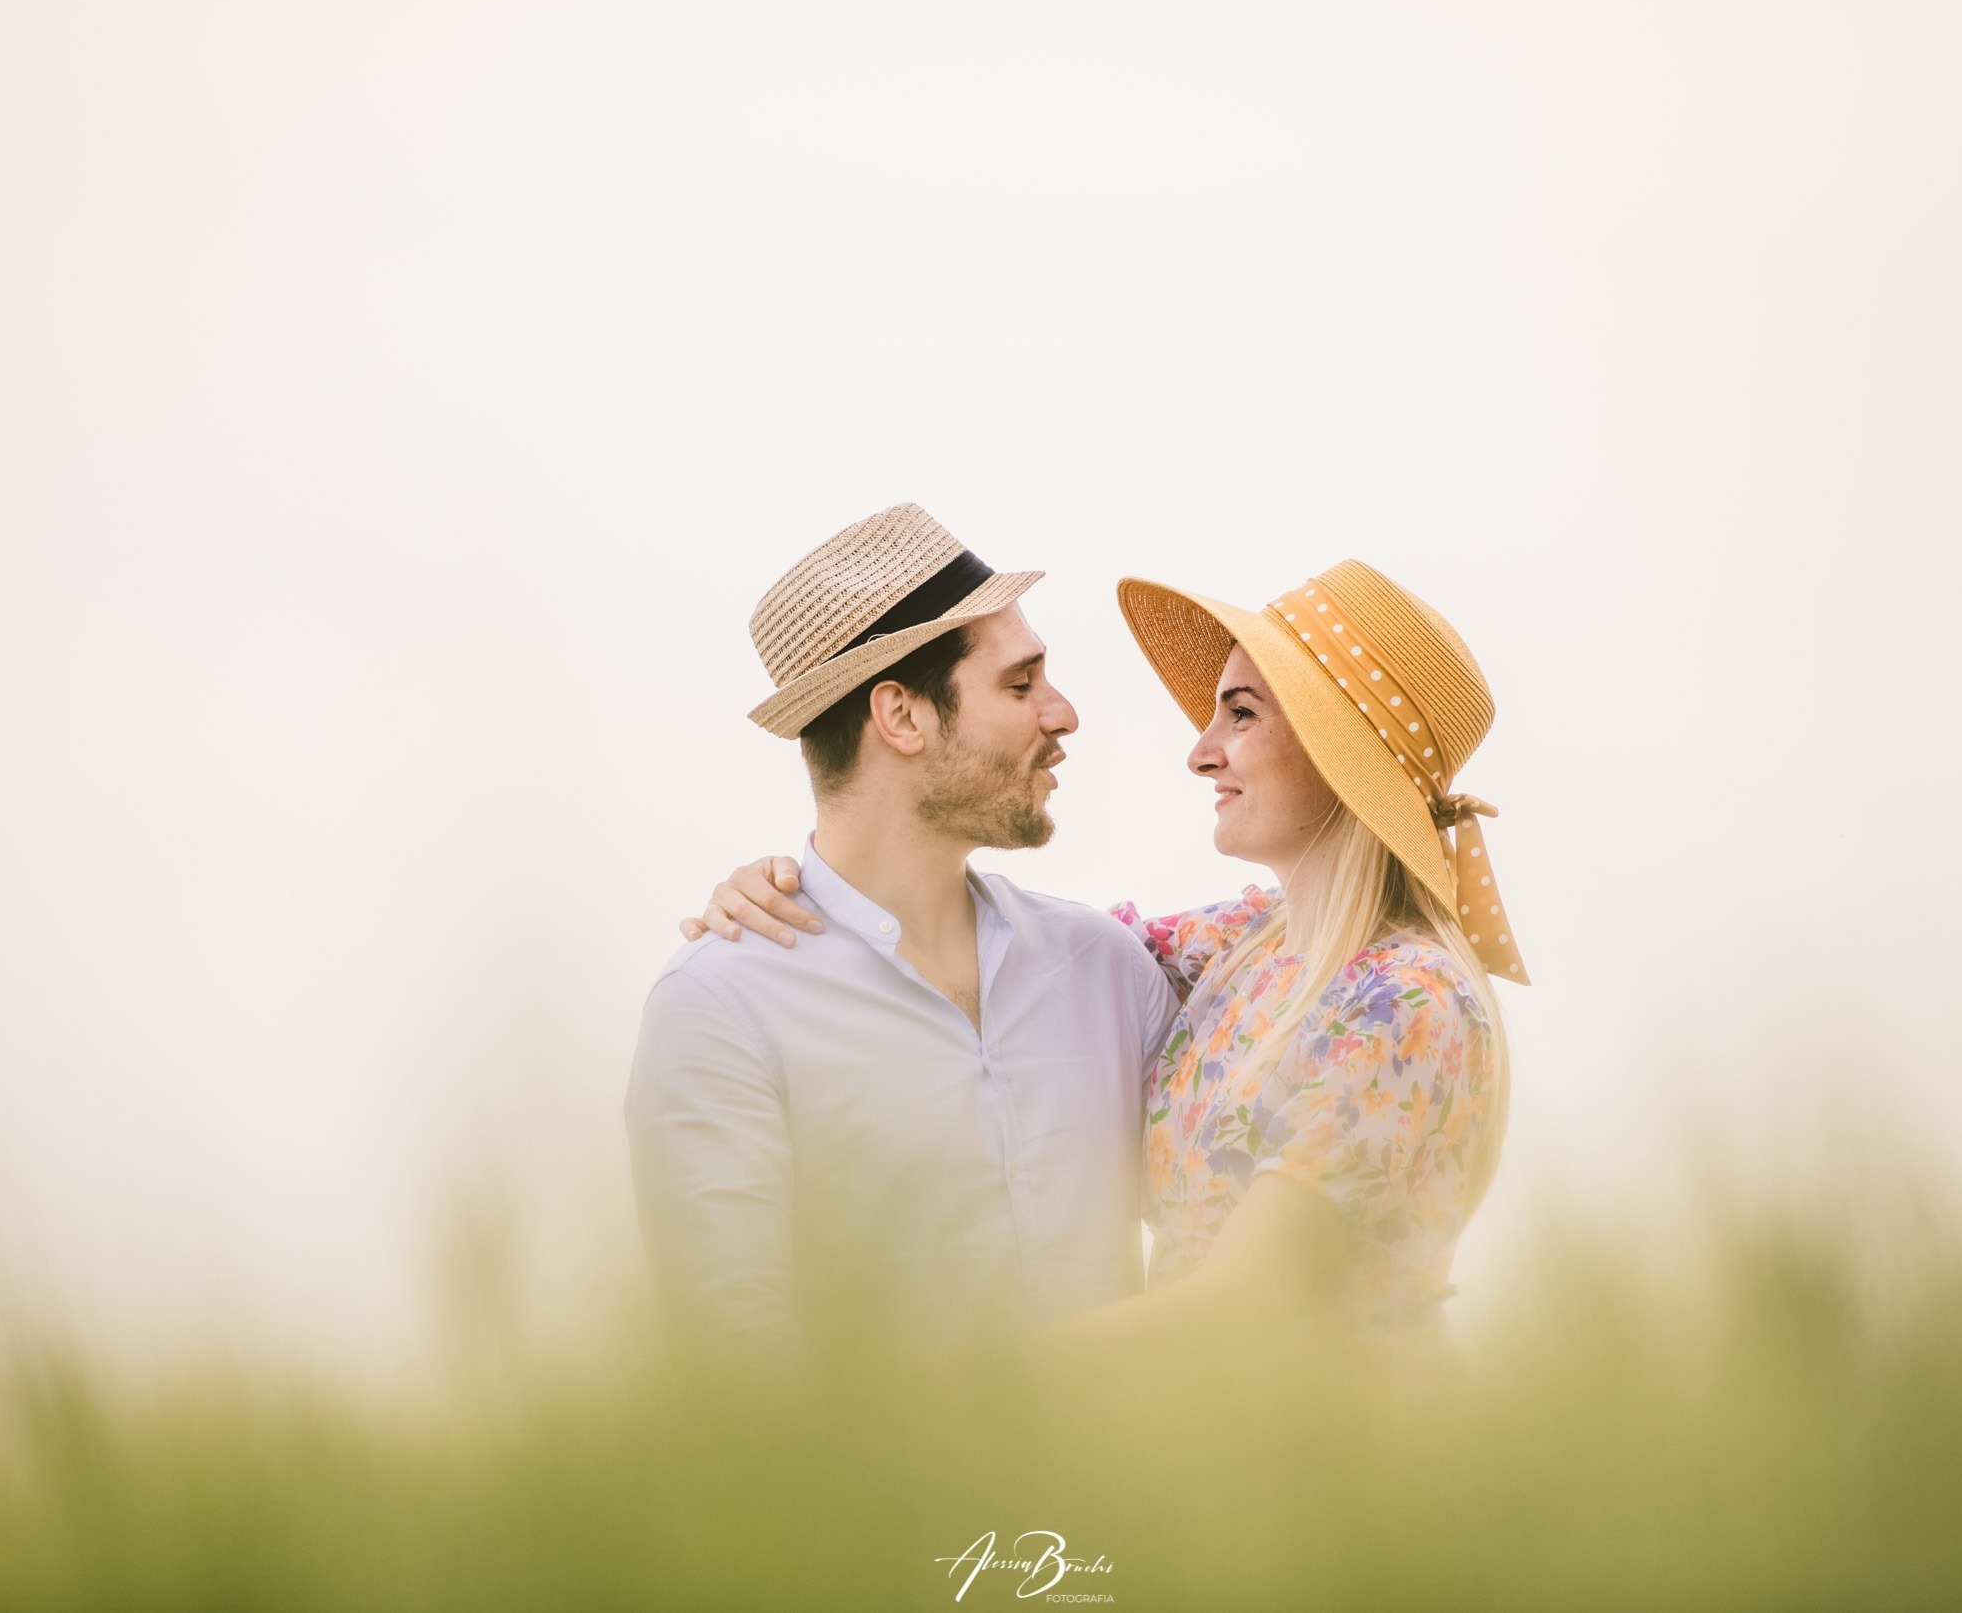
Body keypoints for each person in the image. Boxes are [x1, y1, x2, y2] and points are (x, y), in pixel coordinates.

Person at [689, 560, 1529, 1346]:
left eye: (1240, 713)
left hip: (1350, 1465)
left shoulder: (1407, 1000)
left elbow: (1246, 1305)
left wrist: (940, 1411)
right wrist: (802, 892)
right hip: (1203, 1466)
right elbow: (1002, 959)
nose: (1201, 750)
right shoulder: (1235, 951)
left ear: (1341, 752)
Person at [624, 504, 1179, 1363]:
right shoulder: (719, 1007)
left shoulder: (1108, 968)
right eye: (1021, 685)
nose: (1063, 714)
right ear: (903, 717)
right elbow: (737, 1371)